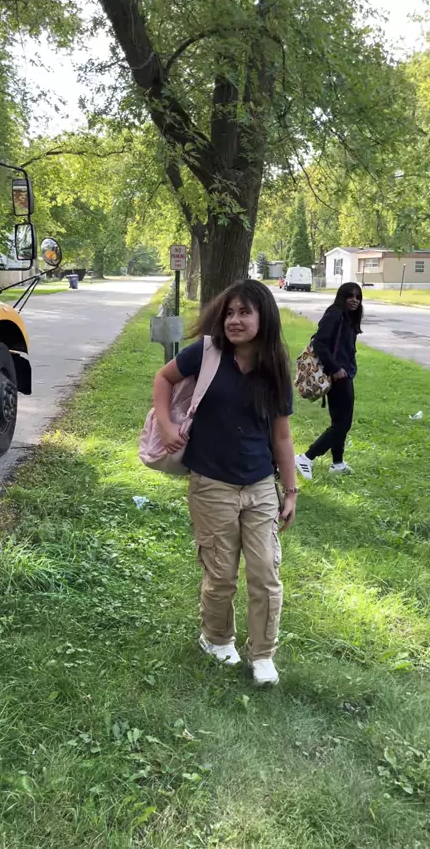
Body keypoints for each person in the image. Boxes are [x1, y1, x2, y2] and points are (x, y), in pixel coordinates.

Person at [152, 280, 297, 686]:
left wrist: (290, 491)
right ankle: (216, 639)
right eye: (230, 312)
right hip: (211, 484)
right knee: (221, 573)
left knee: (265, 572)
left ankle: (263, 654)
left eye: (244, 312)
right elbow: (163, 379)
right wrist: (166, 426)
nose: (234, 320)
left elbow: (282, 437)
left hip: (260, 486)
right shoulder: (207, 352)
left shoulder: (275, 368)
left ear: (264, 317)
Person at [296, 282, 363, 480]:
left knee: (339, 421)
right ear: (342, 297)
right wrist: (335, 368)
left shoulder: (348, 318)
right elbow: (319, 343)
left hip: (344, 373)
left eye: (358, 297)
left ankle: (337, 463)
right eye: (350, 296)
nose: (354, 300)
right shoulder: (335, 314)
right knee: (342, 425)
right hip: (338, 375)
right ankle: (306, 457)